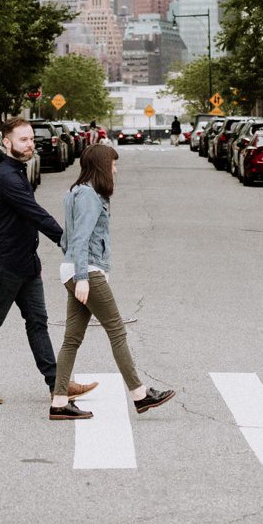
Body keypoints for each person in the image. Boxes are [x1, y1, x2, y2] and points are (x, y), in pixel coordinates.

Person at [0, 118, 96, 408]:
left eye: (31, 139)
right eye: (23, 140)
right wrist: (67, 243)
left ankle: (57, 383)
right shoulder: (7, 177)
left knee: (37, 323)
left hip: (26, 264)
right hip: (5, 265)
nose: (30, 144)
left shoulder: (17, 171)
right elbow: (35, 213)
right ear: (7, 143)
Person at [49, 144, 174, 421]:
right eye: (113, 164)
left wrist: (75, 271)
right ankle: (140, 394)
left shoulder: (75, 192)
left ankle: (59, 401)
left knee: (72, 338)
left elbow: (66, 239)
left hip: (73, 268)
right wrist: (83, 277)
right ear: (102, 166)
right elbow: (79, 239)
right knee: (116, 330)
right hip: (86, 270)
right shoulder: (89, 196)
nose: (115, 170)